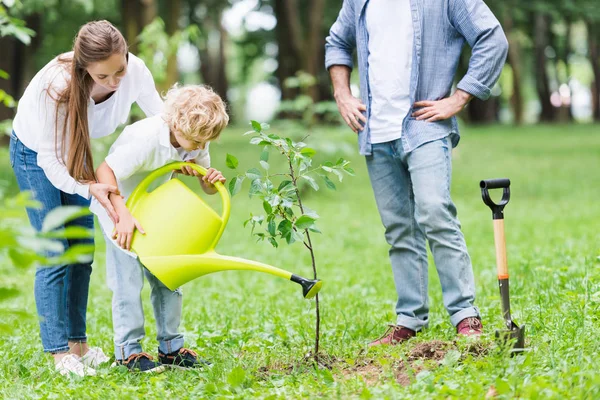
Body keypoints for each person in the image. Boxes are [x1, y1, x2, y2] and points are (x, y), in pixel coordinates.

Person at [325, 0, 508, 345]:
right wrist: (342, 94)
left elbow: (492, 37)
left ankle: (465, 313)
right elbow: (336, 42)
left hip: (424, 125)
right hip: (375, 130)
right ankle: (410, 318)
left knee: (435, 211)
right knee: (399, 228)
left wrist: (459, 98)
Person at [8, 20, 163, 376]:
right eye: (103, 77)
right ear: (84, 68)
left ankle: (79, 345)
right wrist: (88, 187)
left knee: (81, 250)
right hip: (35, 155)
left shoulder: (135, 71)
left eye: (118, 71)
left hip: (77, 153)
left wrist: (186, 155)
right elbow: (49, 159)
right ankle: (60, 353)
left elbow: (161, 120)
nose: (114, 82)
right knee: (55, 251)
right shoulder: (57, 87)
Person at [92, 84, 228, 373]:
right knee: (128, 284)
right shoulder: (146, 139)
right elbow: (104, 172)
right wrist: (122, 215)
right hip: (120, 210)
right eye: (195, 141)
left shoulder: (196, 137)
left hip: (155, 213)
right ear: (176, 123)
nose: (201, 147)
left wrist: (210, 180)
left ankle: (171, 348)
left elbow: (206, 186)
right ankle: (128, 351)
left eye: (205, 142)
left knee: (169, 277)